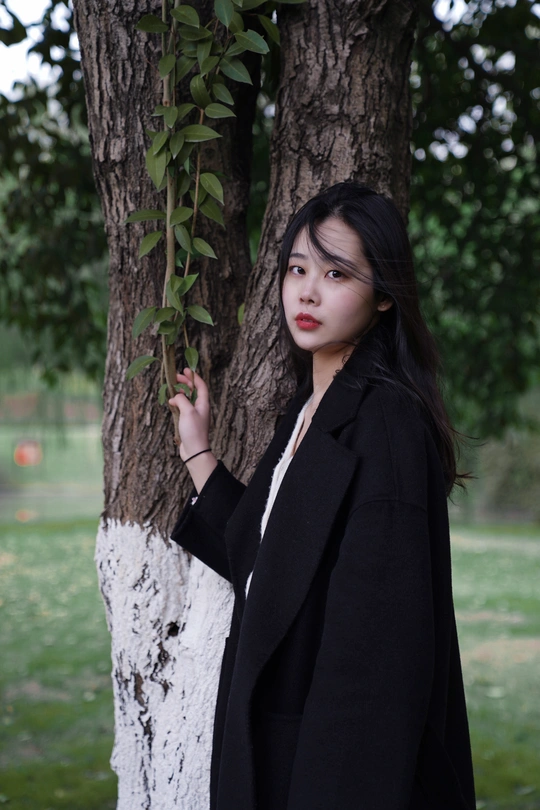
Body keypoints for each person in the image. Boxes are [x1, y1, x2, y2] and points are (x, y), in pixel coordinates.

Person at [168, 182, 476, 810]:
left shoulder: (387, 427)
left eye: (337, 274)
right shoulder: (310, 409)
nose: (307, 292)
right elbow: (274, 565)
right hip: (270, 756)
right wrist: (199, 452)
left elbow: (373, 670)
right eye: (297, 269)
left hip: (323, 773)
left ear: (384, 295)